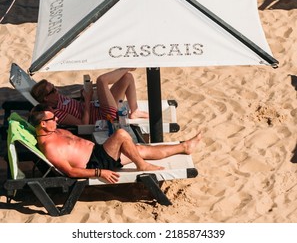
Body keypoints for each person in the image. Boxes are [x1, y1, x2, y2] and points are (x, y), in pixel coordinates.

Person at [28, 104, 202, 184]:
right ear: (42, 124)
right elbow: (71, 171)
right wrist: (100, 172)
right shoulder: (49, 147)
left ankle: (184, 147)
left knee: (139, 149)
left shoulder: (53, 130)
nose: (57, 118)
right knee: (121, 134)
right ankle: (142, 166)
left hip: (97, 152)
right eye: (52, 118)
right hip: (95, 163)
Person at [30, 68, 149, 126]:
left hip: (97, 106)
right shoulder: (56, 113)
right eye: (53, 90)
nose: (57, 91)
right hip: (104, 117)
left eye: (54, 87)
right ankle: (127, 66)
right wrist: (87, 100)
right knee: (102, 80)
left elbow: (78, 108)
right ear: (46, 98)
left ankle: (135, 111)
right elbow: (83, 124)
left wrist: (83, 98)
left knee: (127, 77)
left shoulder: (57, 98)